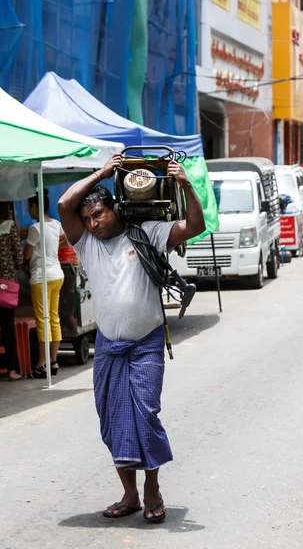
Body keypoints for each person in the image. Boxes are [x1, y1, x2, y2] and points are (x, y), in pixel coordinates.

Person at [58, 155, 205, 524]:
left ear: (115, 210)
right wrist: (102, 173)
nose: (93, 224)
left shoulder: (147, 233)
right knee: (112, 420)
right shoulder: (86, 244)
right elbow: (64, 204)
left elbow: (194, 226)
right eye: (88, 219)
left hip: (146, 342)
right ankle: (129, 493)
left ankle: (152, 488)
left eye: (99, 216)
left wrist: (186, 185)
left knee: (145, 413)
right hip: (108, 346)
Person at [23, 190, 65, 378]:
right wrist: (54, 249)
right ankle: (53, 360)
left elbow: (27, 255)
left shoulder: (35, 228)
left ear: (34, 207)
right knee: (54, 318)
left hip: (41, 277)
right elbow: (67, 241)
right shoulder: (56, 225)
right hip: (57, 275)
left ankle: (41, 364)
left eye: (29, 207)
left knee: (43, 320)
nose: (29, 211)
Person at [0, 202, 23, 381]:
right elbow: (19, 258)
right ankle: (12, 369)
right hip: (5, 285)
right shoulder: (9, 227)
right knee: (8, 327)